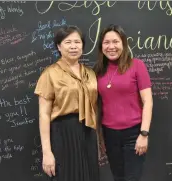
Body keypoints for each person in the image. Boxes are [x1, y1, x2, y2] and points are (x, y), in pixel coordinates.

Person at [34, 25, 99, 181]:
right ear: (59, 46)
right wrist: (47, 152)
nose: (73, 46)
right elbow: (44, 114)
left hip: (88, 133)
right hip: (63, 133)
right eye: (68, 42)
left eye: (77, 42)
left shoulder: (90, 73)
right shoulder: (50, 73)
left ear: (82, 46)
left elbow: (95, 107)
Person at [94, 24, 153, 181]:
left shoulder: (137, 65)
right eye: (106, 42)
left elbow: (148, 101)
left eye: (116, 42)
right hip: (109, 134)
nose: (111, 46)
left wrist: (144, 134)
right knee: (118, 177)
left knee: (132, 178)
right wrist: (100, 137)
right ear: (101, 46)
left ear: (123, 44)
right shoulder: (98, 71)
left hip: (134, 133)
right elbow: (98, 106)